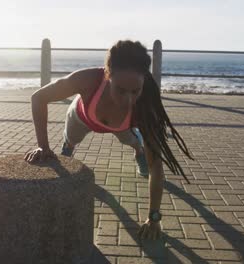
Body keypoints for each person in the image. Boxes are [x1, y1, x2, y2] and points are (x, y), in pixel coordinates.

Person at [24, 40, 194, 240]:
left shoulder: (145, 106)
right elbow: (38, 98)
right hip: (82, 118)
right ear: (107, 74)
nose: (129, 100)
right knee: (71, 141)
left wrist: (154, 217)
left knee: (132, 141)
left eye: (135, 91)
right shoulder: (87, 80)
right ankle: (67, 150)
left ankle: (138, 152)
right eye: (121, 90)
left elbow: (156, 167)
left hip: (121, 126)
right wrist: (43, 146)